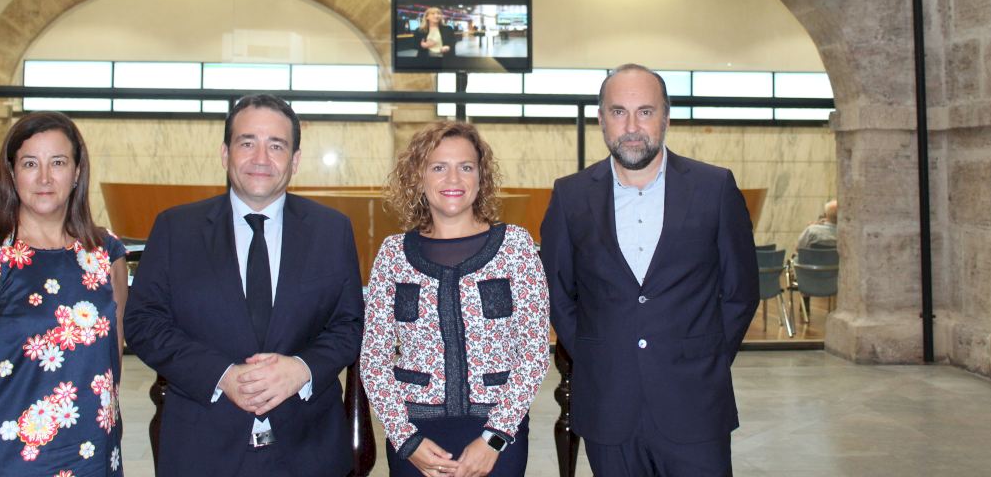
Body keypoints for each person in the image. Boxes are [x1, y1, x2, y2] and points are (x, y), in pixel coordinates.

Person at [124, 94, 364, 477]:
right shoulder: (175, 229)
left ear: (295, 160)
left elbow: (349, 325)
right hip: (201, 449)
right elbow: (143, 323)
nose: (261, 158)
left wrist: (301, 369)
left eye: (276, 146)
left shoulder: (332, 231)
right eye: (247, 142)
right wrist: (221, 375)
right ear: (225, 154)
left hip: (308, 449)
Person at [540, 64, 759, 477]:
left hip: (696, 403)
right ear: (601, 119)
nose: (631, 127)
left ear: (666, 117)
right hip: (609, 406)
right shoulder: (570, 195)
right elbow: (556, 291)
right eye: (618, 112)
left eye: (645, 111)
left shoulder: (714, 188)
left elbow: (741, 292)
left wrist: (706, 358)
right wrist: (597, 356)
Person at [0, 112, 128, 477]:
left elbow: (110, 365)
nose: (44, 178)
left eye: (58, 163)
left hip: (93, 458)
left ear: (77, 172)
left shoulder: (105, 254)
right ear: (11, 173)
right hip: (10, 459)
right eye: (30, 164)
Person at [361, 121, 549, 477]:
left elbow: (534, 353)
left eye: (465, 167)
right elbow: (373, 359)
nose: (453, 179)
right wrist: (405, 440)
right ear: (418, 177)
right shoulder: (393, 255)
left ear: (481, 176)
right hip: (415, 437)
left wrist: (494, 438)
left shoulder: (515, 247)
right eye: (438, 167)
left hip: (497, 435)